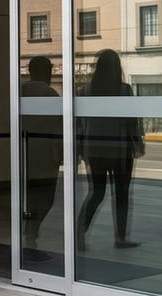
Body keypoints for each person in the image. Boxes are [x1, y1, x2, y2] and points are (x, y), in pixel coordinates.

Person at [76, 48, 142, 250]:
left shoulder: (86, 90)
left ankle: (79, 231)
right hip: (119, 150)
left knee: (96, 192)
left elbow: (79, 123)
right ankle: (120, 237)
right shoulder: (124, 90)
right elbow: (131, 121)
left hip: (94, 150)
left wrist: (80, 149)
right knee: (121, 194)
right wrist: (137, 142)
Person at [21, 56, 63, 259]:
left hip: (25, 152)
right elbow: (59, 128)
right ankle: (31, 235)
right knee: (44, 198)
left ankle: (28, 235)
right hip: (46, 153)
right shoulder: (50, 94)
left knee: (28, 196)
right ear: (47, 72)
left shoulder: (20, 90)